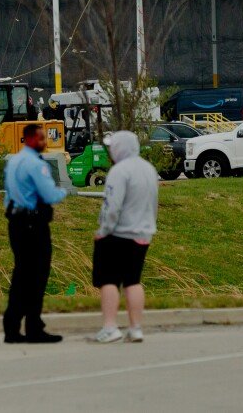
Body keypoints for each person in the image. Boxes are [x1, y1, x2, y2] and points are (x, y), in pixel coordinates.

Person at [91, 130, 158, 343]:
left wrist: (103, 230)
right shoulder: (149, 169)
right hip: (143, 233)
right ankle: (135, 328)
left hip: (118, 233)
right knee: (133, 280)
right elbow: (153, 203)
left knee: (109, 279)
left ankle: (110, 327)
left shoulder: (119, 171)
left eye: (113, 146)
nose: (111, 150)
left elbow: (112, 206)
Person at [2, 123, 67, 344]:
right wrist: (63, 191)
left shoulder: (13, 161)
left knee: (21, 275)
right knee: (37, 276)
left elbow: (8, 194)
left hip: (16, 223)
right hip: (33, 225)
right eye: (41, 138)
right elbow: (49, 195)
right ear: (30, 139)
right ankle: (33, 327)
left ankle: (11, 327)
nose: (44, 142)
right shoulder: (35, 164)